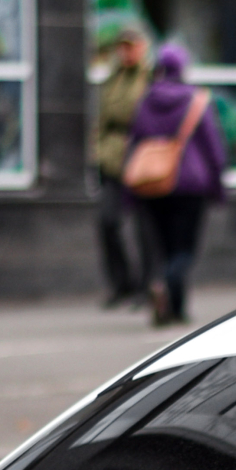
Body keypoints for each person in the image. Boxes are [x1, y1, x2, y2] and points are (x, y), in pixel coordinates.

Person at [127, 43, 228, 326]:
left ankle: (171, 302)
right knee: (184, 250)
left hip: (153, 184)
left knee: (164, 246)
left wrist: (129, 194)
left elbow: (133, 144)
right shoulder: (196, 100)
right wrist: (218, 189)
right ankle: (168, 285)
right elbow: (214, 149)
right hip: (191, 187)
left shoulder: (146, 100)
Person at [93, 25, 153, 307]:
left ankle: (146, 287)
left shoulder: (150, 77)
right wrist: (98, 153)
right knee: (107, 222)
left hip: (139, 158)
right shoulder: (113, 78)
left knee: (145, 228)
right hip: (112, 160)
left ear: (143, 47)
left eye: (132, 46)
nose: (126, 52)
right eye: (123, 46)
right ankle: (122, 283)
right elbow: (103, 119)